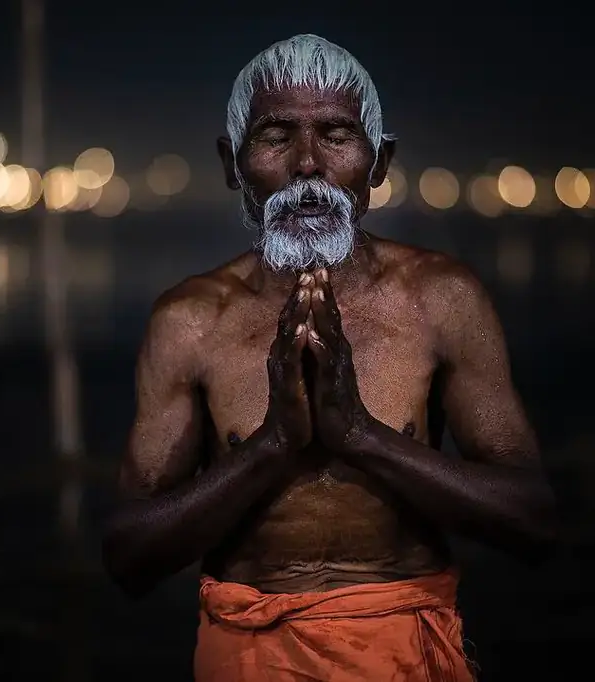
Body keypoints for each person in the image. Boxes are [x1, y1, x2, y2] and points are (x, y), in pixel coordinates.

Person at [102, 34, 557, 682]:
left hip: (402, 655)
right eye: (276, 136)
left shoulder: (441, 299)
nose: (308, 164)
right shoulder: (191, 321)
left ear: (380, 161)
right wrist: (274, 445)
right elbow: (129, 556)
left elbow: (532, 521)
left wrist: (360, 437)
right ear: (232, 162)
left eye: (337, 135)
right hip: (246, 658)